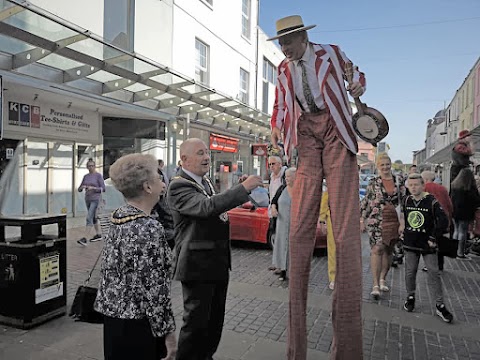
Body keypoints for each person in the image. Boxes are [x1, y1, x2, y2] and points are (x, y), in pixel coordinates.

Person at [268, 15, 366, 359]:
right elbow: (281, 104)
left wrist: (356, 84)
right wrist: (277, 127)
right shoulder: (283, 69)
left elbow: (357, 75)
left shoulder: (332, 53)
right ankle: (296, 352)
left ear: (301, 38)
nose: (283, 49)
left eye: (287, 42)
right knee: (299, 229)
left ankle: (348, 350)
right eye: (280, 44)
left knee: (344, 229)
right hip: (306, 132)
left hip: (336, 130)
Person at [167, 138, 262, 360]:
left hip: (215, 263)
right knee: (196, 324)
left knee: (213, 322)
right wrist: (242, 189)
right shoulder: (179, 185)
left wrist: (236, 188)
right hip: (196, 266)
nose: (206, 157)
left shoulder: (204, 181)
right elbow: (206, 207)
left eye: (206, 153)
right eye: (200, 153)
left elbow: (215, 204)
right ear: (184, 159)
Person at [94, 153, 176, 360]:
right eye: (158, 178)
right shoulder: (148, 228)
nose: (163, 183)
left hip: (113, 318)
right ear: (148, 187)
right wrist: (168, 334)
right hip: (139, 325)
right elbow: (155, 290)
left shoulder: (119, 217)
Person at [401, 173, 453, 323]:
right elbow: (405, 218)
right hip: (410, 243)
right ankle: (410, 297)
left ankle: (440, 304)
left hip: (428, 244)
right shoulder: (407, 200)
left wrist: (433, 237)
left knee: (434, 273)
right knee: (410, 272)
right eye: (410, 185)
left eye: (416, 185)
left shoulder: (431, 201)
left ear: (423, 185)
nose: (413, 188)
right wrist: (403, 230)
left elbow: (443, 221)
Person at [360, 153, 402, 299]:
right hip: (376, 219)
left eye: (387, 164)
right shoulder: (374, 182)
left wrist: (403, 221)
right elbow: (367, 200)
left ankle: (383, 278)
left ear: (391, 165)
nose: (385, 167)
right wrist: (361, 218)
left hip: (393, 220)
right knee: (377, 249)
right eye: (382, 165)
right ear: (378, 166)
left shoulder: (399, 181)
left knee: (389, 250)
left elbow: (404, 201)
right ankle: (375, 284)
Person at [421, 170, 453, 271]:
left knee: (430, 241)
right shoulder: (442, 188)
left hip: (430, 219)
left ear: (425, 179)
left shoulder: (424, 188)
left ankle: (430, 265)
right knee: (440, 241)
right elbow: (449, 204)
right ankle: (440, 264)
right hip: (443, 218)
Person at [270, 167, 297, 281]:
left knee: (293, 248)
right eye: (285, 176)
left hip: (294, 224)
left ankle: (294, 271)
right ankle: (282, 270)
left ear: (295, 177)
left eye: (289, 176)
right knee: (281, 246)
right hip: (282, 223)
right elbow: (274, 201)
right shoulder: (282, 189)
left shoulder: (300, 190)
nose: (286, 179)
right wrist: (274, 209)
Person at [450, 168, 480, 259]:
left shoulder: (454, 186)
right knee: (462, 232)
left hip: (455, 212)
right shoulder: (470, 188)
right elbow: (477, 201)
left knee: (456, 231)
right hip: (466, 213)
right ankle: (460, 253)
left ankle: (454, 251)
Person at [77, 158, 105, 246]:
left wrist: (93, 188)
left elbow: (103, 188)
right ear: (87, 167)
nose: (90, 167)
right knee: (93, 218)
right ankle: (98, 234)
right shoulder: (86, 176)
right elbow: (79, 188)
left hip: (96, 199)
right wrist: (81, 188)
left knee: (89, 217)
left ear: (95, 166)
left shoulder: (98, 176)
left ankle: (85, 238)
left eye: (92, 166)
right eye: (89, 166)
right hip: (87, 199)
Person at [267, 155, 286, 272]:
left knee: (281, 238)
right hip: (273, 211)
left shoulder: (284, 176)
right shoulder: (272, 177)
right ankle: (276, 262)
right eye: (269, 164)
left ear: (280, 164)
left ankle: (281, 265)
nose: (271, 166)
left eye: (273, 164)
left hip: (282, 212)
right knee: (274, 237)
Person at [319, 187, 336, 290]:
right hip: (332, 220)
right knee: (332, 250)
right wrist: (322, 221)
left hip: (345, 220)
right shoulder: (330, 189)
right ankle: (333, 277)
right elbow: (324, 204)